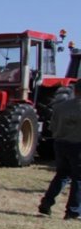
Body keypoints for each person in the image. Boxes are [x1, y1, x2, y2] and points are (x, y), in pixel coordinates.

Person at [39, 79, 81, 220]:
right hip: (78, 146)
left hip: (60, 144)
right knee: (78, 179)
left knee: (62, 175)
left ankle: (46, 202)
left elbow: (52, 127)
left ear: (75, 90)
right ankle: (73, 211)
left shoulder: (60, 107)